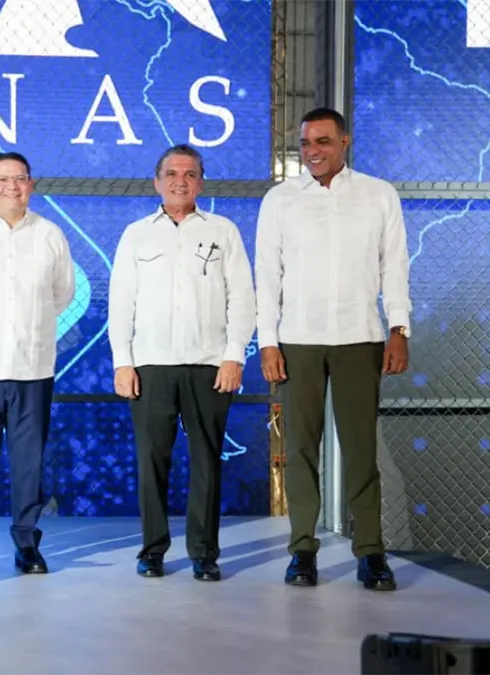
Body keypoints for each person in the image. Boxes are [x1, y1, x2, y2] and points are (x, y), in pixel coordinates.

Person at [255, 107, 411, 591]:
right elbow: (268, 275)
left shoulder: (378, 195)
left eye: (322, 141)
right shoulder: (280, 200)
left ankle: (371, 553)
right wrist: (267, 341)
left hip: (359, 338)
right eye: (305, 143)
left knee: (362, 451)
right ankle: (302, 551)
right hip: (298, 340)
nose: (312, 151)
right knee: (300, 449)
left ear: (345, 142)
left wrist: (399, 328)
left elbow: (395, 266)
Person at [108, 144, 255, 581]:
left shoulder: (223, 231)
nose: (180, 181)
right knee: (152, 461)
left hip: (209, 365)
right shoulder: (136, 234)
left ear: (201, 183)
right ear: (157, 182)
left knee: (206, 462)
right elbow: (121, 302)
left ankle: (204, 553)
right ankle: (152, 550)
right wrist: (122, 362)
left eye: (190, 174)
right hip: (150, 366)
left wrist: (233, 355)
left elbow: (242, 298)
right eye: (171, 174)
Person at [0, 152, 75, 576]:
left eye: (20, 178)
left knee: (28, 464)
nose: (11, 186)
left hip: (32, 368)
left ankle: (27, 544)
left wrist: (29, 324)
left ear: (31, 184)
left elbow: (62, 294)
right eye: (2, 179)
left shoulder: (50, 235)